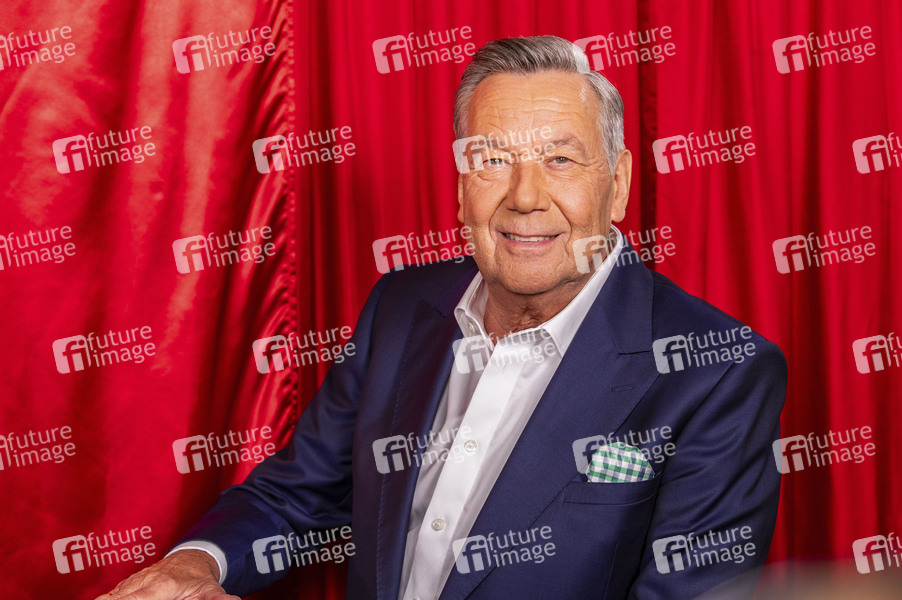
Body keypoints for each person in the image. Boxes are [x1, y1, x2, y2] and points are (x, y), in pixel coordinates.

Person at [98, 35, 787, 600]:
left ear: (619, 183)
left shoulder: (718, 374)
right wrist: (196, 565)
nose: (525, 197)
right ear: (462, 188)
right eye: (493, 160)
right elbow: (299, 494)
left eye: (560, 159)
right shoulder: (401, 307)